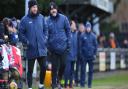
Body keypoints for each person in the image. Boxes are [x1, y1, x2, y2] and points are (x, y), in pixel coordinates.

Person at [19, 0, 48, 89]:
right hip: (31, 49)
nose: (35, 9)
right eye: (33, 7)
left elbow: (46, 29)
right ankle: (30, 87)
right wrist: (27, 42)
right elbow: (21, 34)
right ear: (30, 8)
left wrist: (45, 38)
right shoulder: (24, 20)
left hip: (42, 48)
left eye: (36, 7)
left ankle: (41, 85)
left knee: (44, 67)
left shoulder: (41, 18)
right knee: (30, 70)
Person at [47, 2, 71, 89]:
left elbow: (68, 31)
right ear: (50, 11)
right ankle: (54, 84)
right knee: (54, 67)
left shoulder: (63, 18)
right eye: (51, 9)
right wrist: (48, 46)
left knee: (63, 65)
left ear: (56, 9)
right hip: (53, 48)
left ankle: (58, 80)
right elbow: (46, 35)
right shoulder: (47, 21)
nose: (53, 10)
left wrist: (68, 43)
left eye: (54, 8)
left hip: (63, 46)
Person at [80, 22, 98, 88]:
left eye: (89, 27)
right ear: (85, 28)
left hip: (91, 57)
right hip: (84, 57)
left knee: (90, 71)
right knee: (83, 71)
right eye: (87, 27)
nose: (88, 28)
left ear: (90, 28)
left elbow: (96, 46)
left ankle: (89, 84)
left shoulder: (93, 36)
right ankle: (82, 84)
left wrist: (95, 54)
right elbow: (80, 46)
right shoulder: (82, 35)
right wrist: (81, 55)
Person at [64, 20, 77, 89]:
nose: (75, 26)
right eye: (74, 25)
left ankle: (71, 85)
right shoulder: (67, 34)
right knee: (67, 71)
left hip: (74, 57)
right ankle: (66, 85)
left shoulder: (76, 34)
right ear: (70, 26)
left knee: (72, 71)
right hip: (68, 56)